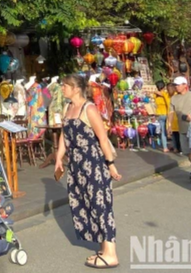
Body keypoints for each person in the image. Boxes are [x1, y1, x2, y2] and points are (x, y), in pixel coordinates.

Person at [55, 74, 121, 269]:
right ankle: (104, 248)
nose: (62, 88)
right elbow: (64, 135)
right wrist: (59, 157)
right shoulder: (68, 108)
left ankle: (111, 254)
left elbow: (102, 138)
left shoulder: (89, 108)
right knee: (86, 203)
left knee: (101, 205)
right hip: (76, 166)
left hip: (93, 163)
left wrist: (110, 164)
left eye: (65, 85)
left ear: (76, 88)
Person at [170, 76, 191, 179]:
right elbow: (171, 112)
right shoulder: (173, 98)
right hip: (182, 128)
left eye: (178, 85)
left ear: (185, 85)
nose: (176, 87)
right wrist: (169, 125)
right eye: (175, 85)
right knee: (186, 152)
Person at [154, 81, 171, 152]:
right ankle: (175, 147)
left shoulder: (155, 95)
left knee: (163, 132)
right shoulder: (165, 94)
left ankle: (165, 147)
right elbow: (168, 103)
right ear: (163, 87)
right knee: (170, 130)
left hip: (159, 115)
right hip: (166, 114)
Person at [166, 83, 180, 153]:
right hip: (176, 116)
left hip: (171, 116)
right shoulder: (177, 95)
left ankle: (175, 148)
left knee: (174, 134)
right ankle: (179, 147)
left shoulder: (167, 95)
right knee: (178, 134)